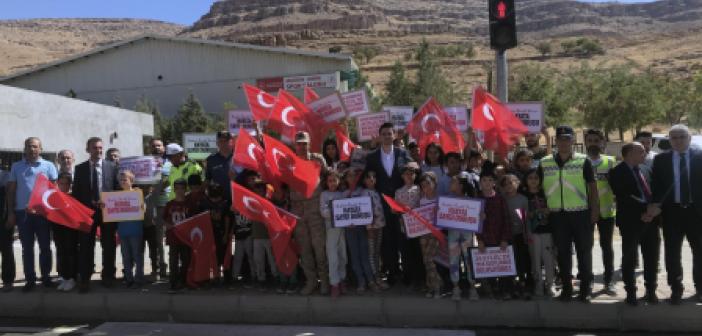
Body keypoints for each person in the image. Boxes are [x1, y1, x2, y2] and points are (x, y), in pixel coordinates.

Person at [538, 125, 599, 302]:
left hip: (581, 214)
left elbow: (592, 188)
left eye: (567, 139)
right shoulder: (545, 162)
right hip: (557, 216)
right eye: (561, 139)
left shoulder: (583, 160)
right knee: (563, 254)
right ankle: (566, 288)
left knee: (584, 252)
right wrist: (543, 207)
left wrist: (594, 210)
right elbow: (539, 188)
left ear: (573, 140)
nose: (564, 142)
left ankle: (585, 289)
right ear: (555, 141)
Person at [649, 124, 702, 304]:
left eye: (682, 137)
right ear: (669, 140)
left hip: (697, 212)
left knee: (700, 251)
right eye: (674, 138)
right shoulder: (661, 160)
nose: (678, 140)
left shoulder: (700, 156)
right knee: (672, 252)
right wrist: (656, 206)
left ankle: (700, 288)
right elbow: (656, 187)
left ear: (689, 138)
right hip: (672, 213)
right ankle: (676, 288)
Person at [609, 142, 660, 306]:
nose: (645, 153)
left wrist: (653, 210)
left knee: (652, 257)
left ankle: (651, 291)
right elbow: (624, 196)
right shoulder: (616, 172)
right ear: (629, 153)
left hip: (651, 220)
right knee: (629, 258)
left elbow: (654, 191)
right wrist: (645, 209)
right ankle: (631, 292)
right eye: (641, 151)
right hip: (631, 221)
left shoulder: (646, 168)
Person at [363, 122, 414, 285]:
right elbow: (368, 178)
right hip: (382, 204)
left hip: (401, 204)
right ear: (380, 136)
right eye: (383, 133)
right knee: (388, 240)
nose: (386, 136)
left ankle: (407, 273)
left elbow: (413, 170)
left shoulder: (403, 153)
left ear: (394, 135)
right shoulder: (371, 157)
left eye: (389, 133)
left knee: (404, 238)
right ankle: (392, 272)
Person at [7, 137, 59, 292]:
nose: (32, 149)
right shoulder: (16, 167)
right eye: (29, 146)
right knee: (27, 248)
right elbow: (11, 191)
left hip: (43, 213)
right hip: (23, 214)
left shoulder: (49, 166)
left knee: (45, 246)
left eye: (35, 147)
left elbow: (55, 192)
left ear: (40, 149)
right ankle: (30, 279)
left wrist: (53, 212)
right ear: (25, 148)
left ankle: (46, 277)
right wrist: (11, 212)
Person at [72, 136, 119, 292]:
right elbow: (77, 193)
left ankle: (108, 276)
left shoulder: (112, 166)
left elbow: (117, 189)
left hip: (107, 213)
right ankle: (85, 278)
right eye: (95, 148)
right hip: (87, 214)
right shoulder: (80, 168)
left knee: (109, 245)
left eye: (100, 148)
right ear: (88, 149)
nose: (98, 151)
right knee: (85, 246)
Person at [289, 131, 330, 295]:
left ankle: (325, 281)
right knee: (304, 249)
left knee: (319, 248)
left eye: (304, 143)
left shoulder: (318, 159)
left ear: (309, 143)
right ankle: (311, 281)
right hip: (298, 209)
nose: (301, 146)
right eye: (299, 143)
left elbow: (328, 177)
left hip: (314, 208)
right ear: (294, 145)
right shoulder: (289, 160)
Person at [584, 129, 617, 295]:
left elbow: (618, 186)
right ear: (585, 143)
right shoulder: (580, 162)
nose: (593, 144)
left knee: (607, 247)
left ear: (602, 142)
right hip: (585, 211)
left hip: (606, 211)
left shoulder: (610, 161)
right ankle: (588, 280)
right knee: (586, 247)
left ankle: (609, 280)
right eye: (590, 140)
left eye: (596, 140)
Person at [343, 168, 380, 294]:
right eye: (349, 176)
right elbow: (340, 213)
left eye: (354, 176)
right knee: (354, 256)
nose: (352, 178)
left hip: (363, 228)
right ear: (346, 179)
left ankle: (370, 280)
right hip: (349, 229)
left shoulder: (363, 191)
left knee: (365, 255)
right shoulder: (343, 194)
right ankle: (361, 282)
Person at [477, 170, 512, 299]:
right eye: (484, 180)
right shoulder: (477, 199)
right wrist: (479, 239)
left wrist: (505, 239)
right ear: (480, 183)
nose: (487, 183)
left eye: (490, 180)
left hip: (499, 237)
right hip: (485, 238)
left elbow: (506, 220)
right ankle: (490, 289)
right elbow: (474, 224)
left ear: (495, 183)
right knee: (489, 266)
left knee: (502, 265)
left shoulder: (500, 199)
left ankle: (505, 290)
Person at [521, 168, 555, 297]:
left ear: (540, 180)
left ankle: (550, 284)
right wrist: (530, 214)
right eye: (530, 178)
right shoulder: (523, 195)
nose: (533, 181)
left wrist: (548, 210)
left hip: (547, 230)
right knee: (535, 259)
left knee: (549, 258)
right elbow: (521, 215)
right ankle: (538, 284)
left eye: (536, 178)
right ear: (526, 180)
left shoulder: (546, 193)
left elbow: (554, 207)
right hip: (532, 232)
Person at [447, 174, 479, 301]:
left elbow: (477, 217)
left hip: (467, 236)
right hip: (452, 236)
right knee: (453, 261)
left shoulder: (471, 201)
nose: (450, 185)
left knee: (469, 260)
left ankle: (473, 287)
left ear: (460, 186)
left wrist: (481, 216)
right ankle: (456, 287)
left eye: (453, 182)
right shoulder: (447, 201)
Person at [394, 162, 424, 289]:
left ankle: (419, 277)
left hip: (418, 227)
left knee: (418, 252)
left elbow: (424, 205)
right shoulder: (398, 191)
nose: (409, 176)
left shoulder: (419, 189)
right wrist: (398, 210)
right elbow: (395, 208)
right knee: (406, 253)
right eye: (406, 174)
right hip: (404, 227)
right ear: (402, 176)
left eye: (412, 174)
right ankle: (408, 276)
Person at [501, 174, 531, 299]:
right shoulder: (501, 199)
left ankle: (522, 285)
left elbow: (526, 219)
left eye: (511, 182)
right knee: (508, 262)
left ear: (518, 183)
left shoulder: (523, 199)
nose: (508, 186)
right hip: (506, 237)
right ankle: (510, 287)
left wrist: (527, 234)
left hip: (520, 235)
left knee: (521, 262)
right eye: (505, 184)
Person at [199, 182, 233, 286]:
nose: (215, 200)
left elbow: (227, 219)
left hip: (222, 232)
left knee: (225, 256)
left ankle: (227, 278)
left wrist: (226, 234)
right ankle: (215, 276)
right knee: (213, 256)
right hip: (210, 233)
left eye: (217, 197)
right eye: (213, 197)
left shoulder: (225, 203)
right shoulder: (204, 204)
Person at [116, 170, 145, 288]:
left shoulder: (138, 193)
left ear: (131, 181)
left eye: (125, 179)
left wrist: (143, 206)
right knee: (126, 256)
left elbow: (144, 209)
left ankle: (138, 279)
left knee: (137, 255)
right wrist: (105, 206)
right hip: (123, 231)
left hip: (135, 230)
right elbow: (110, 211)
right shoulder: (115, 196)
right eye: (121, 180)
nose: (123, 182)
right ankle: (129, 279)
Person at [320, 170, 347, 297]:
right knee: (332, 256)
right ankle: (334, 283)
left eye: (334, 180)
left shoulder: (342, 194)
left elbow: (348, 211)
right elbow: (324, 212)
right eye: (329, 181)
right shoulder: (324, 195)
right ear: (326, 182)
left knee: (343, 255)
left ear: (339, 181)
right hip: (331, 228)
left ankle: (342, 279)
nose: (332, 183)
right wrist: (335, 209)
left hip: (343, 229)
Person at [360, 170, 389, 290]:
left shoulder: (377, 192)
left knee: (377, 252)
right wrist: (368, 224)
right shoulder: (364, 193)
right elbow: (363, 209)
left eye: (373, 177)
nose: (371, 179)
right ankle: (374, 278)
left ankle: (378, 277)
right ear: (364, 181)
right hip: (370, 226)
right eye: (368, 177)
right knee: (371, 253)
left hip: (380, 225)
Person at [164, 178, 193, 293]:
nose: (180, 191)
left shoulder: (189, 204)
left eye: (182, 188)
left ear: (185, 189)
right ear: (174, 189)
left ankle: (183, 280)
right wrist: (168, 225)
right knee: (173, 261)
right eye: (177, 188)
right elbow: (163, 220)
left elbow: (194, 220)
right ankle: (173, 282)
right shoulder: (170, 204)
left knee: (186, 260)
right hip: (173, 238)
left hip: (185, 238)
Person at [417, 172, 442, 299]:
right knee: (426, 260)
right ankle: (430, 287)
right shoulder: (421, 201)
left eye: (428, 184)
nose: (426, 187)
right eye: (423, 185)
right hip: (423, 234)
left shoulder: (440, 200)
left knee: (429, 260)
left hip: (436, 233)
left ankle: (437, 286)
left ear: (434, 184)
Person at [53, 173, 80, 292]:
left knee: (70, 252)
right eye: (61, 183)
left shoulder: (74, 197)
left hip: (71, 230)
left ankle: (72, 278)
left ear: (70, 185)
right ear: (57, 183)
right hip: (57, 229)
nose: (64, 186)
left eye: (66, 184)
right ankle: (64, 277)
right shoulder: (53, 197)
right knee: (61, 251)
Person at [149, 137, 169, 279]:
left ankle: (177, 268)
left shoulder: (171, 163)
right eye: (154, 146)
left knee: (176, 238)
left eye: (159, 145)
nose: (157, 148)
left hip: (172, 204)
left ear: (164, 147)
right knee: (157, 240)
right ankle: (160, 268)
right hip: (155, 206)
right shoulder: (145, 164)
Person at [205, 131, 235, 204]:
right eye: (221, 141)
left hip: (237, 200)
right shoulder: (211, 160)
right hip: (218, 201)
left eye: (226, 141)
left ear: (231, 142)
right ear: (217, 143)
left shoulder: (239, 157)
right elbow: (207, 180)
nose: (224, 143)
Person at [0, 165, 15, 292]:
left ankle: (8, 280)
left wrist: (10, 214)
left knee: (6, 250)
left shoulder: (5, 175)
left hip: (3, 219)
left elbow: (10, 196)